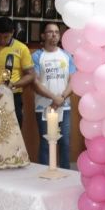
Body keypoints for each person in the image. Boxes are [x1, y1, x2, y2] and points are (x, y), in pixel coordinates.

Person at [32, 22, 75, 169]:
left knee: (65, 142)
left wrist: (61, 98)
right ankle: (45, 173)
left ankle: (65, 174)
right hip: (44, 106)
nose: (54, 34)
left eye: (57, 32)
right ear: (43, 35)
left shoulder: (67, 55)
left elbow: (73, 80)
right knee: (46, 143)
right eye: (50, 32)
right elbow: (36, 83)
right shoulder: (37, 56)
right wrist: (53, 98)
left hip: (64, 106)